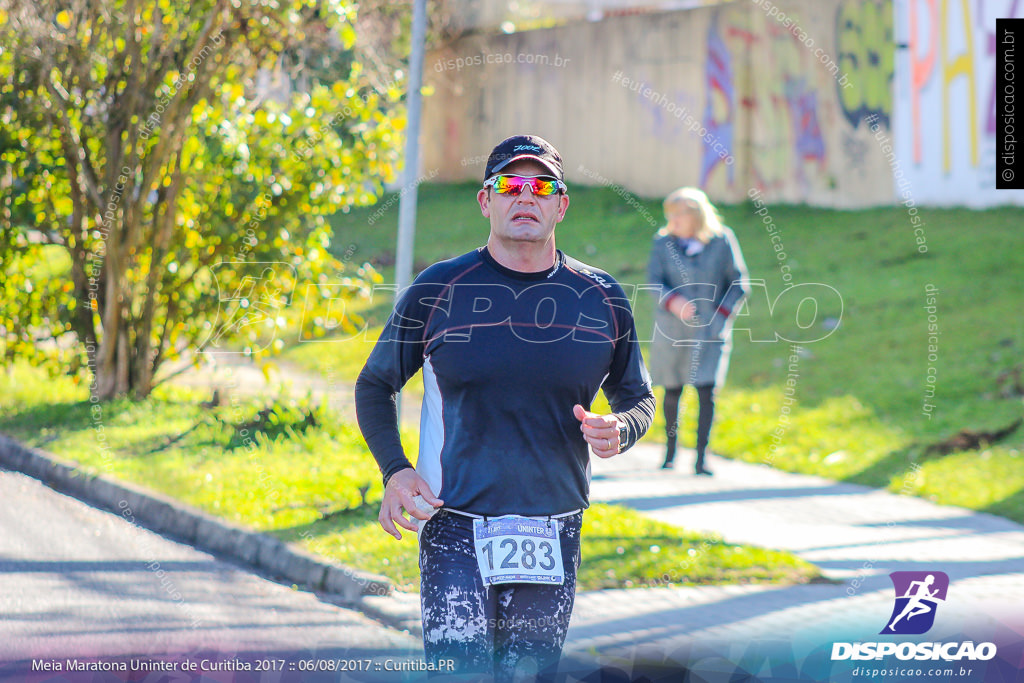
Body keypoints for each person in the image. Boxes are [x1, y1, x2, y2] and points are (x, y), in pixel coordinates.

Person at [354, 134, 655, 680]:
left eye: (541, 186)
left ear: (560, 204)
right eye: (510, 185)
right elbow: (375, 385)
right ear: (486, 200)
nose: (525, 197)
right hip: (454, 522)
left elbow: (639, 398)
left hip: (553, 525)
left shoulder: (601, 296)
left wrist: (622, 428)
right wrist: (395, 473)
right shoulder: (440, 288)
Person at [647, 187, 748, 475]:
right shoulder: (663, 242)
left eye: (678, 215)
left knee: (707, 392)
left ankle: (701, 458)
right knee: (672, 390)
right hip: (672, 330)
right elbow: (654, 281)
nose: (672, 221)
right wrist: (673, 301)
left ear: (695, 215)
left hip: (710, 332)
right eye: (670, 215)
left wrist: (720, 318)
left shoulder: (722, 240)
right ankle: (670, 453)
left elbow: (739, 284)